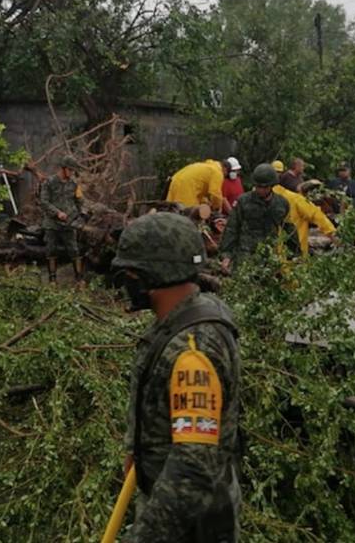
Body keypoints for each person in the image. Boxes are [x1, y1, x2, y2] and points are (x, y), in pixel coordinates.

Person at [112, 212, 242, 542]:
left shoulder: (192, 352)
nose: (127, 281)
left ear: (152, 275)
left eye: (131, 273)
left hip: (194, 527)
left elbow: (192, 469)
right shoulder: (182, 318)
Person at [219, 163, 290, 271]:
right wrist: (226, 255)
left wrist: (295, 255)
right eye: (258, 186)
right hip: (245, 254)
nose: (260, 190)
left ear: (271, 186)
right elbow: (232, 228)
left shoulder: (281, 204)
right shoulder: (243, 201)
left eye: (264, 187)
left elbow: (289, 229)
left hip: (269, 255)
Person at [39, 155, 85, 283]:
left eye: (73, 171)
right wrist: (57, 213)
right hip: (52, 223)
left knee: (74, 250)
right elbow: (44, 202)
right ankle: (52, 280)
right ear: (63, 168)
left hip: (69, 223)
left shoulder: (74, 184)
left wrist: (81, 214)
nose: (72, 173)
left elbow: (80, 201)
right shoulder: (49, 182)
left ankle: (79, 279)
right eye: (70, 170)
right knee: (51, 250)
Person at [271, 182, 338, 256]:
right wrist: (332, 235)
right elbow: (317, 216)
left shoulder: (259, 199)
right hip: (295, 253)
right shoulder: (295, 199)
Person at [166, 159, 232, 214]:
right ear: (225, 169)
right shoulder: (217, 172)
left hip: (176, 181)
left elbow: (199, 187)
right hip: (187, 187)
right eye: (226, 174)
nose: (224, 177)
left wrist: (205, 202)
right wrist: (216, 208)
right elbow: (215, 193)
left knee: (172, 210)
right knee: (187, 215)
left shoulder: (207, 166)